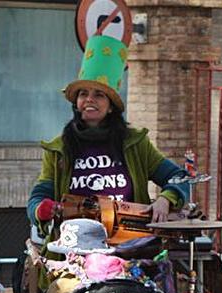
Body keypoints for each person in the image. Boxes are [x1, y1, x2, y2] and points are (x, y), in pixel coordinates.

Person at [27, 35, 189, 257]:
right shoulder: (59, 149)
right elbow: (38, 197)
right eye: (83, 94)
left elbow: (179, 178)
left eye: (99, 94)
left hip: (130, 253)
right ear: (76, 103)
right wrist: (41, 209)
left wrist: (165, 199)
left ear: (111, 106)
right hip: (74, 256)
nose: (89, 100)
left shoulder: (135, 143)